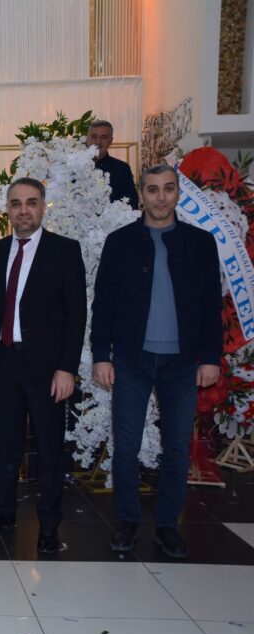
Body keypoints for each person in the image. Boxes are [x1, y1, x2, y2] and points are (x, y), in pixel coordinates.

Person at [92, 164, 222, 559]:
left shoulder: (200, 243)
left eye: (168, 189)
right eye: (152, 189)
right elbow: (103, 304)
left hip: (182, 363)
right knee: (126, 446)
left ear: (177, 192)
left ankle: (167, 525)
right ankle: (127, 520)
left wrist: (211, 358)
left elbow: (210, 305)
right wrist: (101, 356)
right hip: (131, 360)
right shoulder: (120, 242)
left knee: (177, 448)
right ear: (141, 194)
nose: (160, 197)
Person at [0, 178, 87, 554]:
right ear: (7, 209)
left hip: (47, 369)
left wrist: (66, 368)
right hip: (4, 364)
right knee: (4, 446)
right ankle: (3, 514)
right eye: (16, 203)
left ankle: (49, 526)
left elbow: (76, 315)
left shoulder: (65, 251)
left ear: (42, 207)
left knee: (50, 449)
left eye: (31, 202)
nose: (24, 210)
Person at [88, 119, 139, 209]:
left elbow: (131, 205)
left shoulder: (122, 169)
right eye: (94, 137)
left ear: (111, 141)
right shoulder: (72, 167)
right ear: (87, 139)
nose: (98, 142)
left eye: (103, 137)